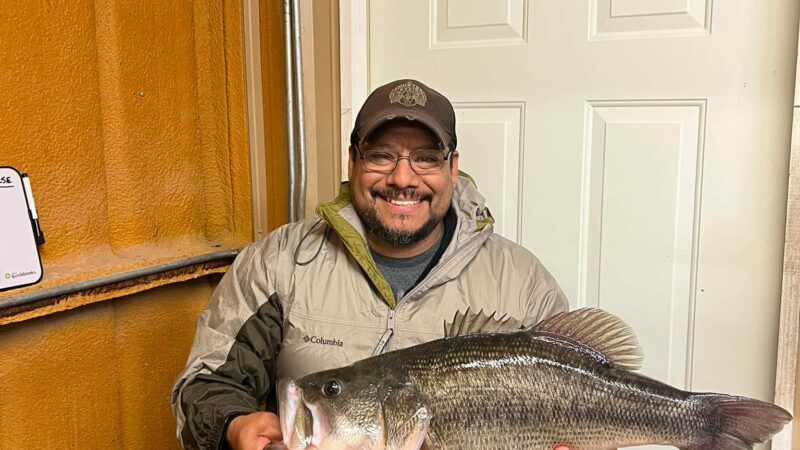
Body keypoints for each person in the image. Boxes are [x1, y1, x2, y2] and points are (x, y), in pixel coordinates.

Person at [171, 79, 569, 450]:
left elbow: (576, 394)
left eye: (426, 158)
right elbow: (206, 383)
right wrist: (233, 425)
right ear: (352, 162)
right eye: (381, 155)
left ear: (452, 167)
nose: (402, 177)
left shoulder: (522, 281)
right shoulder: (279, 262)